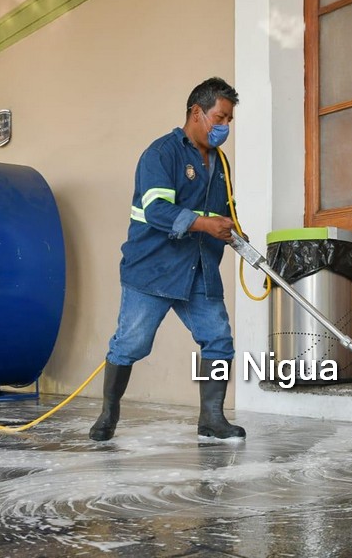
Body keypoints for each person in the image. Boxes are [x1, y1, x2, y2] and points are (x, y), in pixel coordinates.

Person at [89, 77, 245, 442]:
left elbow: (224, 211)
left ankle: (212, 419)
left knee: (219, 339)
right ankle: (108, 413)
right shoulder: (161, 154)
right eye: (220, 118)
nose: (225, 127)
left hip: (199, 269)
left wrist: (235, 233)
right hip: (153, 269)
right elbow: (156, 209)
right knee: (131, 344)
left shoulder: (220, 163)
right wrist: (205, 224)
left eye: (229, 121)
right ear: (197, 112)